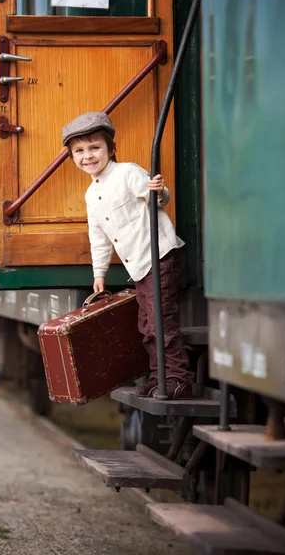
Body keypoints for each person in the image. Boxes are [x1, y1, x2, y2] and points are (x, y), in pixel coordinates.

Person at [62, 111, 194, 400]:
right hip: (141, 267)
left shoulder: (127, 173)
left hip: (160, 256)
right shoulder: (90, 195)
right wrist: (99, 274)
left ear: (110, 148)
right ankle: (158, 375)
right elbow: (98, 237)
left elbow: (157, 196)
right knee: (146, 324)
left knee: (160, 320)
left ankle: (177, 377)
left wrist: (159, 192)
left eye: (95, 147)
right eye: (79, 151)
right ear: (72, 157)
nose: (88, 156)